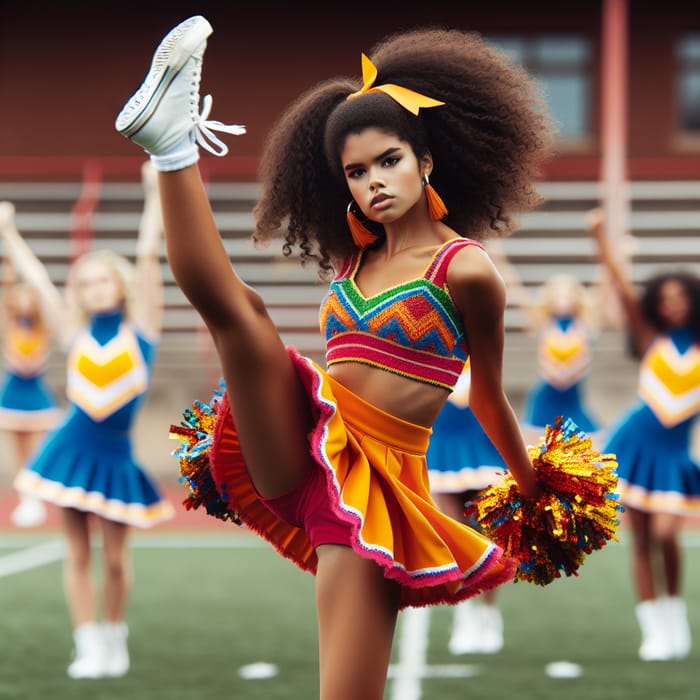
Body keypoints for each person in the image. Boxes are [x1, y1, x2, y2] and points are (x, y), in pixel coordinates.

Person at [113, 16, 602, 699]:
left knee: (346, 690)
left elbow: (487, 395)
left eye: (389, 160)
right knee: (241, 315)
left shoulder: (466, 269)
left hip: (378, 485)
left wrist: (533, 487)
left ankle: (170, 146)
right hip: (311, 437)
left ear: (426, 161)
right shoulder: (357, 257)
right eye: (356, 171)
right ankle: (172, 148)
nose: (373, 182)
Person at [0, 162, 174, 679]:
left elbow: (148, 256)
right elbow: (35, 279)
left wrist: (155, 193)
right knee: (75, 553)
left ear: (119, 287)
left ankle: (114, 635)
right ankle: (86, 644)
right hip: (70, 450)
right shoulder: (73, 333)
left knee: (117, 560)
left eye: (103, 280)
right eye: (86, 281)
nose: (95, 288)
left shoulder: (142, 329)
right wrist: (8, 232)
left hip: (116, 455)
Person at [589, 207, 700, 662]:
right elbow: (620, 285)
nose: (673, 304)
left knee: (668, 534)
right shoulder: (648, 335)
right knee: (641, 539)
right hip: (634, 446)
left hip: (673, 454)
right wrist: (601, 239)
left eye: (681, 297)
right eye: (666, 297)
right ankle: (652, 626)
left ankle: (675, 615)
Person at [486, 235, 604, 447]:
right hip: (544, 399)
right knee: (538, 451)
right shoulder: (542, 323)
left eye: (568, 292)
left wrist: (610, 254)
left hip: (573, 400)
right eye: (557, 292)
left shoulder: (585, 325)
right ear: (547, 298)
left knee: (580, 452)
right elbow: (516, 289)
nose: (562, 297)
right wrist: (498, 258)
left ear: (578, 297)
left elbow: (602, 287)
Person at [426, 358, 507, 655]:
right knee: (453, 535)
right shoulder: (433, 338)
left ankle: (489, 615)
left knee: (488, 533)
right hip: (443, 443)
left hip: (480, 443)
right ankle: (464, 615)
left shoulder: (479, 340)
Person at [0, 251, 62, 527]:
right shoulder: (10, 324)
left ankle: (36, 497)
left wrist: (25, 361)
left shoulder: (42, 328)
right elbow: (6, 291)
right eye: (19, 297)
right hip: (13, 394)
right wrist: (10, 267)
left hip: (35, 393)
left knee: (36, 449)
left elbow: (32, 362)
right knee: (18, 449)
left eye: (29, 297)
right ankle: (25, 499)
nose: (23, 302)